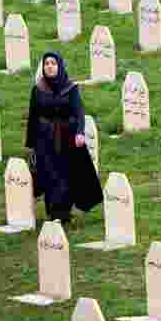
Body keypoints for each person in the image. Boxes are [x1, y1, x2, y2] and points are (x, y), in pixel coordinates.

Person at [24, 52, 103, 225]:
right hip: (44, 140)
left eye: (53, 63)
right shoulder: (38, 90)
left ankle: (64, 213)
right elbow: (33, 116)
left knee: (65, 175)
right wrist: (31, 143)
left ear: (59, 66)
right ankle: (54, 213)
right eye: (46, 63)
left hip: (66, 138)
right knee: (49, 176)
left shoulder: (71, 88)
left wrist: (80, 132)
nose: (49, 66)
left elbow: (79, 112)